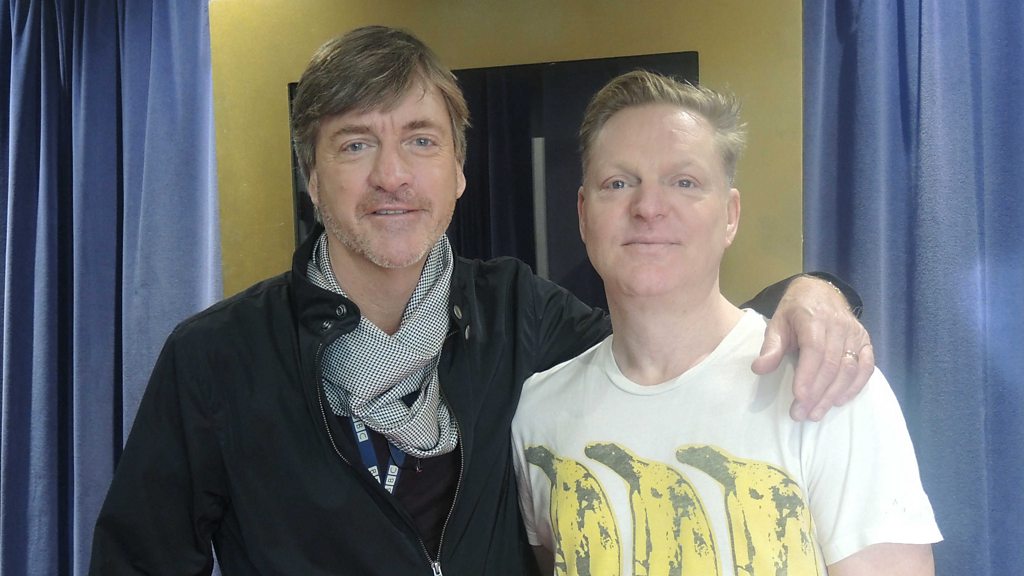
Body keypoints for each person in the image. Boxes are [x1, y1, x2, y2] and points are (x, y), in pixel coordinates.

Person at [89, 27, 874, 575]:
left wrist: (813, 294)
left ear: (459, 171)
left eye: (421, 140)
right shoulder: (215, 359)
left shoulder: (517, 312)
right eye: (356, 143)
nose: (392, 175)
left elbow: (670, 344)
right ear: (312, 176)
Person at [512, 71, 941, 576]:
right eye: (619, 183)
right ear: (584, 215)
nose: (648, 208)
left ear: (730, 215)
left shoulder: (825, 386)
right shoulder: (538, 411)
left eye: (685, 182)